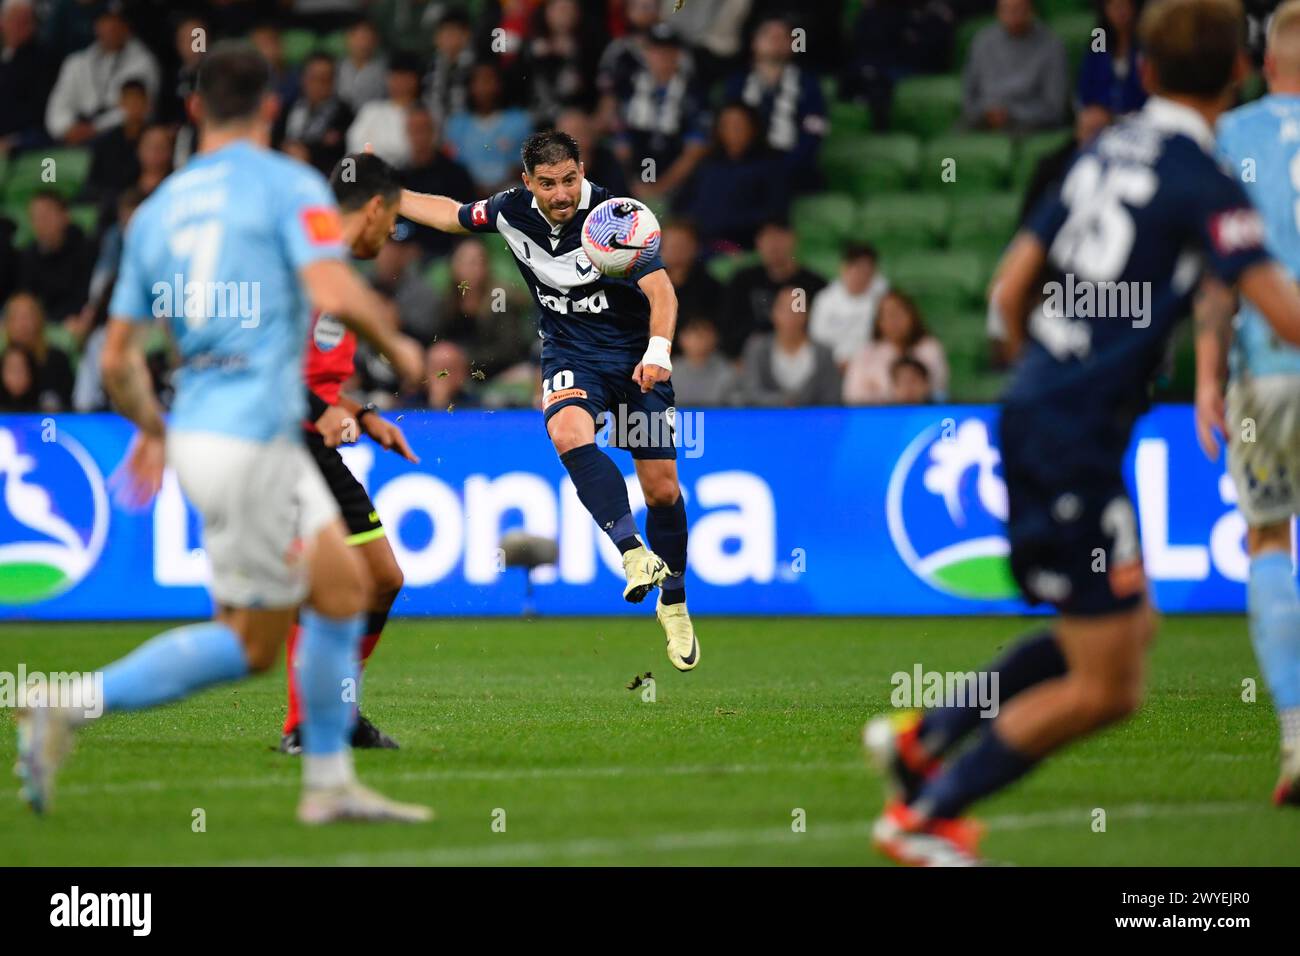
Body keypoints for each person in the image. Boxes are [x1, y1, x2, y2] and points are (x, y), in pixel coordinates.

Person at [865, 0, 1300, 866]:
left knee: (1121, 627)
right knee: (1110, 687)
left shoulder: (1102, 149)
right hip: (1072, 436)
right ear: (1238, 76)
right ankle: (924, 815)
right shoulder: (1202, 179)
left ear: (1143, 73)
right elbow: (1281, 314)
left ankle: (927, 737)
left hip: (1042, 411)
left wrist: (1056, 361)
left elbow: (1005, 289)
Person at [13, 42, 429, 826]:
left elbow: (116, 357)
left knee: (346, 586)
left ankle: (329, 777)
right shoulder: (287, 185)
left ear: (195, 110)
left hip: (207, 430)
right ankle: (62, 704)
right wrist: (394, 342)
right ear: (269, 111)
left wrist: (153, 429)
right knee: (251, 642)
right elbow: (332, 280)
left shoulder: (158, 210)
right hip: (256, 436)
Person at [396, 129, 701, 671]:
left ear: (582, 171)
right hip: (571, 356)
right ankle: (633, 555)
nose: (561, 194)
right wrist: (390, 196)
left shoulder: (615, 215)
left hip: (637, 364)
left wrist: (658, 350)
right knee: (565, 430)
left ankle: (674, 602)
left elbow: (662, 291)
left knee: (661, 489)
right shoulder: (510, 211)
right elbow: (449, 215)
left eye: (569, 180)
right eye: (548, 184)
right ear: (526, 182)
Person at [280, 151, 423, 756]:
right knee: (329, 584)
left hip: (310, 437)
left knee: (382, 578)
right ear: (372, 209)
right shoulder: (304, 267)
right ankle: (305, 726)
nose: (392, 234)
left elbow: (317, 376)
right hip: (278, 439)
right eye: (391, 220)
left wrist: (361, 414)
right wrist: (325, 413)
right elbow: (267, 367)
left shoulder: (336, 274)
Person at [1195, 0, 1300, 806]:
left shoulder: (1231, 140)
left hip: (1265, 370)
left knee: (1269, 536)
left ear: (1264, 65)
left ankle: (1298, 738)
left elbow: (1215, 280)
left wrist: (1205, 378)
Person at [962, 0, 1069, 132]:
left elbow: (1054, 108)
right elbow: (969, 97)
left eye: (1017, 9)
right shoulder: (982, 41)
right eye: (1005, 9)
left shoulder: (1052, 46)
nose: (1011, 15)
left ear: (1031, 11)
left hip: (1030, 125)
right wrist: (986, 112)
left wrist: (1011, 113)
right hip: (982, 120)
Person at [739, 285, 841, 406]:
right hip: (768, 420)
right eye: (785, 310)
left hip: (812, 421)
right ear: (774, 313)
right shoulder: (757, 348)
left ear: (807, 314)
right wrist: (783, 402)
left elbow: (831, 397)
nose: (791, 317)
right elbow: (751, 393)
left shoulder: (823, 353)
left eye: (797, 310)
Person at [842, 291, 948, 404]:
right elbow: (852, 395)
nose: (894, 320)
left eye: (899, 313)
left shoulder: (929, 347)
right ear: (879, 322)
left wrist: (877, 389)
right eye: (888, 315)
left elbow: (936, 389)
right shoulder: (867, 352)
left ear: (911, 315)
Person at [809, 244, 891, 370]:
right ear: (844, 268)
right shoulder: (825, 300)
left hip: (871, 365)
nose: (863, 276)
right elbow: (818, 339)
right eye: (858, 269)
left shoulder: (884, 296)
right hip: (832, 366)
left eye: (868, 271)